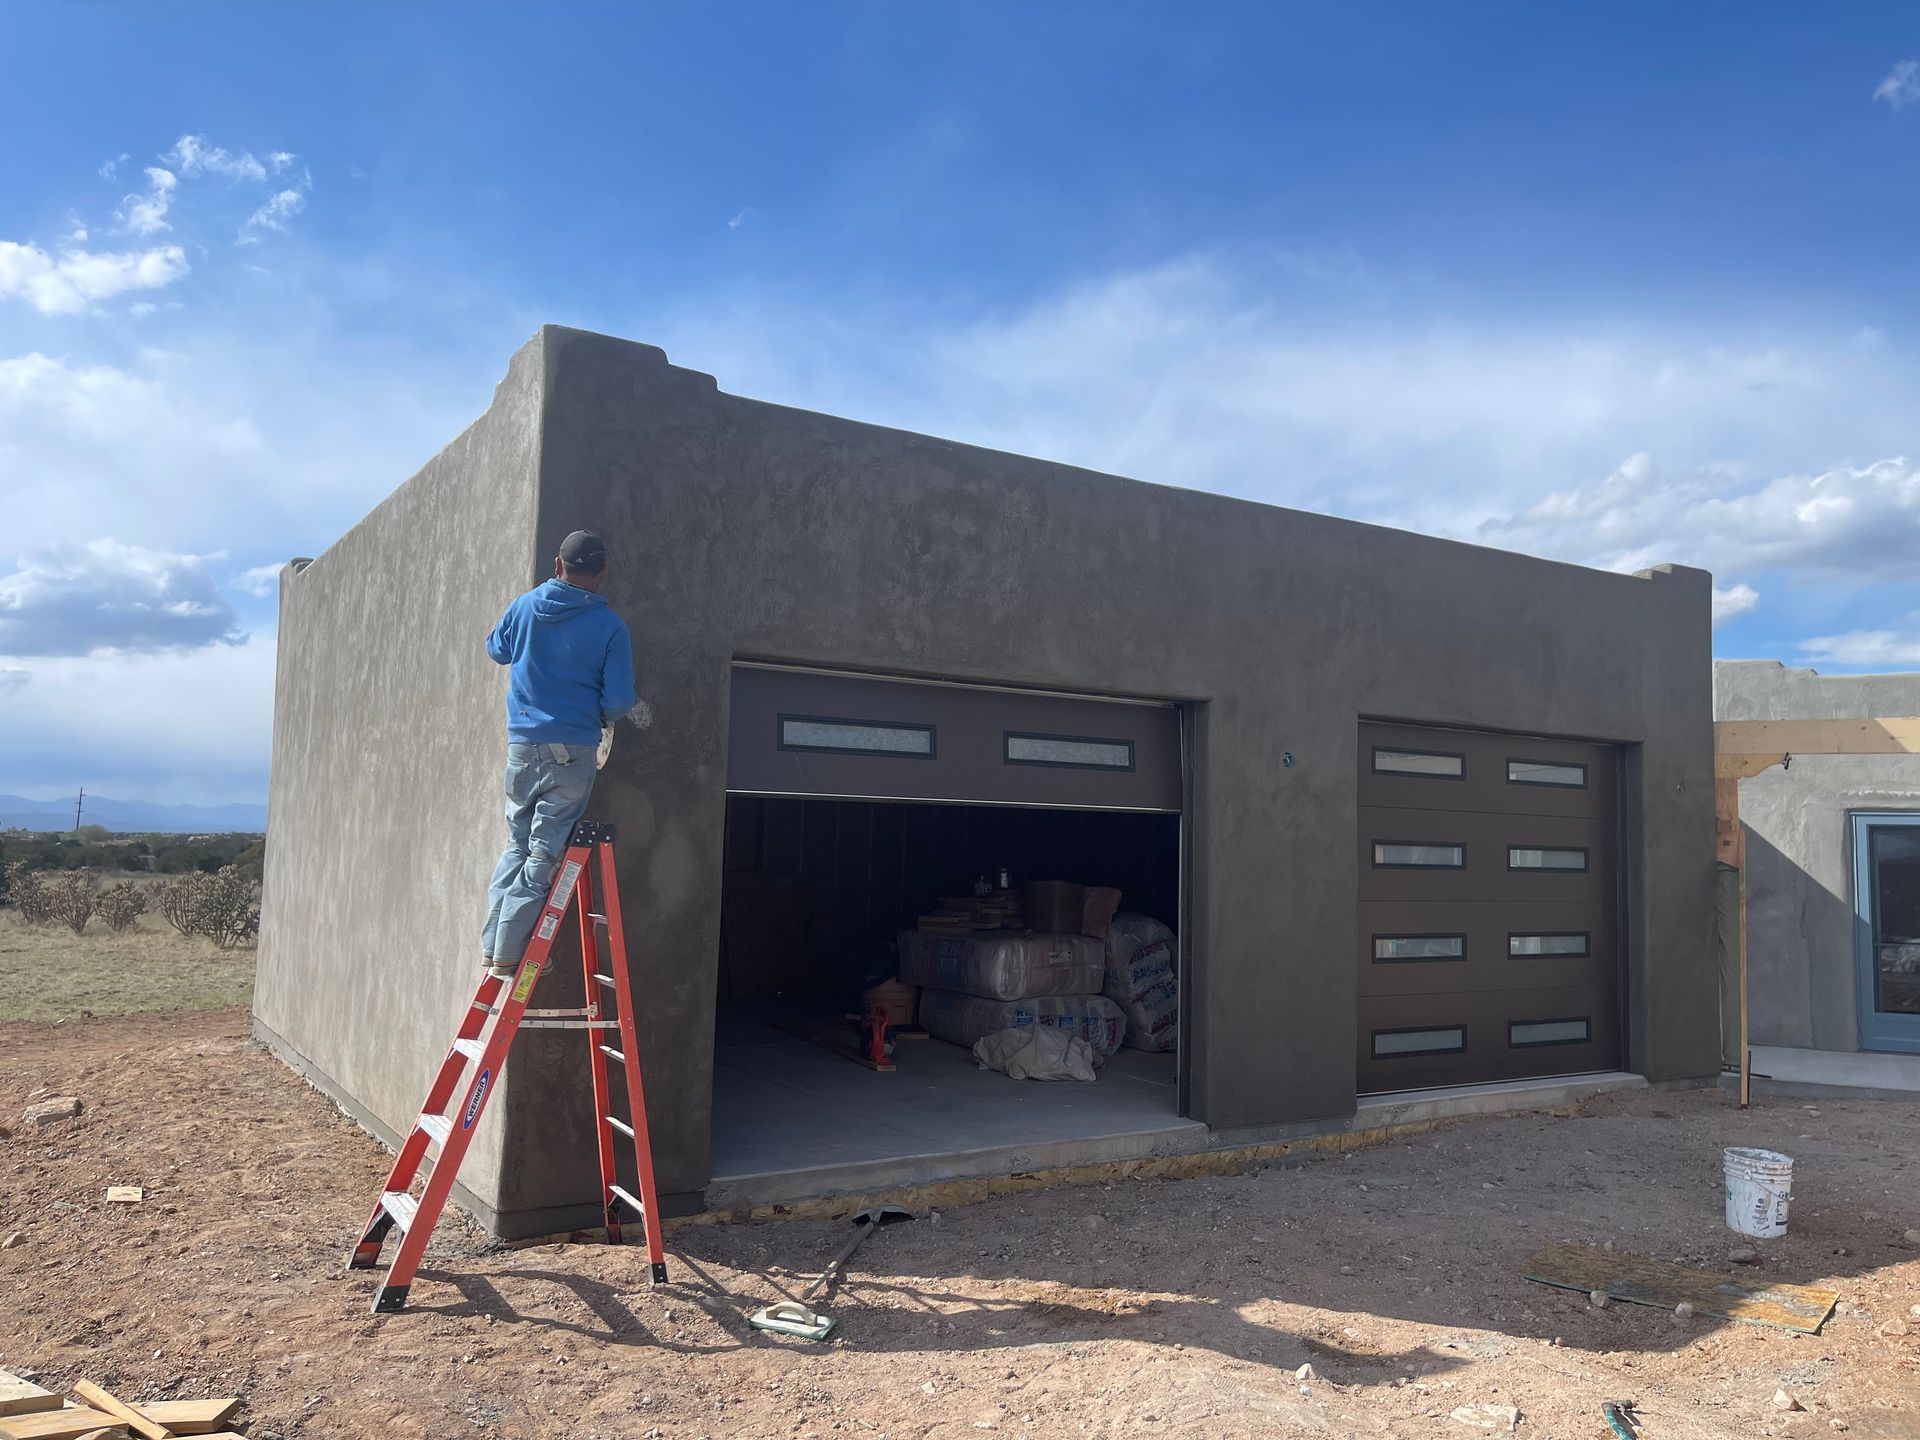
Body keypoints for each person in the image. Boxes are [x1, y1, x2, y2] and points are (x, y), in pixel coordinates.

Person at [479, 529, 636, 980]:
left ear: (556, 566)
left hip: (522, 746)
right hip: (572, 749)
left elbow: (497, 649)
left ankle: (493, 947)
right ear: (601, 574)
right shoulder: (609, 626)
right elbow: (620, 702)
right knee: (542, 854)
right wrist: (597, 713)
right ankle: (509, 953)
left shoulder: (525, 605)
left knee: (517, 844)